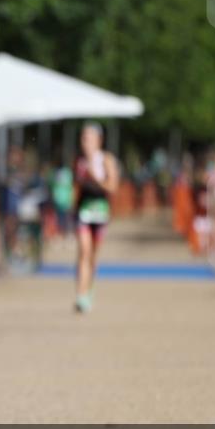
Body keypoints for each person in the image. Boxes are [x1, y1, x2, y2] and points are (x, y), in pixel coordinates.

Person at [72, 122, 120, 313]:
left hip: (100, 212)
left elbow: (113, 186)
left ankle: (89, 289)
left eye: (89, 138)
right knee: (84, 251)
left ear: (99, 141)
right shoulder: (78, 161)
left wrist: (95, 178)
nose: (86, 142)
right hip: (83, 212)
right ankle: (80, 295)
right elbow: (75, 187)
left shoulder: (106, 160)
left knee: (93, 256)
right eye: (83, 138)